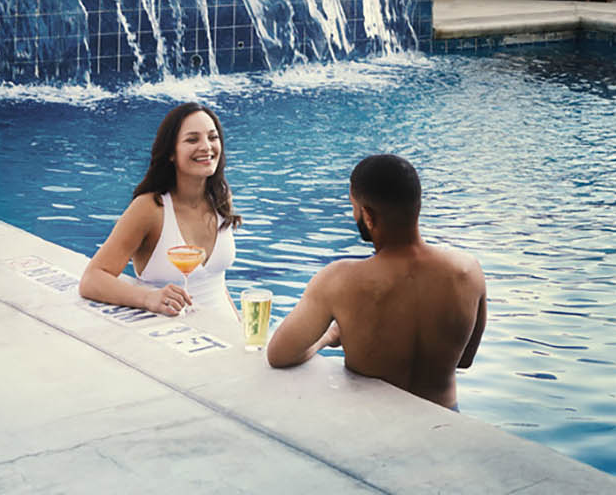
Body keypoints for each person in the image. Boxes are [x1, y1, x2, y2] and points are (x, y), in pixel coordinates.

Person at [266, 153, 486, 410]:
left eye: (354, 207)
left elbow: (280, 355)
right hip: (443, 419)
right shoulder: (468, 271)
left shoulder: (339, 280)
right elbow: (465, 360)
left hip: (371, 425)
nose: (354, 215)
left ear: (368, 216)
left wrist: (329, 336)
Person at [80, 101, 240, 322]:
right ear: (171, 153)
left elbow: (217, 284)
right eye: (192, 139)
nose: (206, 146)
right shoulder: (149, 208)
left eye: (212, 137)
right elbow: (92, 279)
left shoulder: (220, 198)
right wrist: (149, 298)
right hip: (172, 339)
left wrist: (242, 328)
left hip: (227, 335)